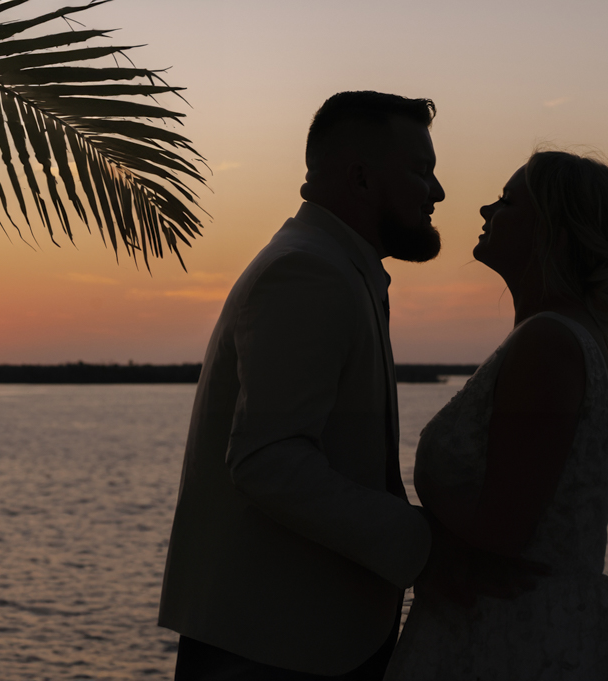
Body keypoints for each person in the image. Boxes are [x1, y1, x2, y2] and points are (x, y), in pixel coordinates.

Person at [158, 91, 445, 680]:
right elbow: (269, 459)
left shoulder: (332, 265)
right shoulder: (309, 271)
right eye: (422, 171)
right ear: (361, 177)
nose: (436, 192)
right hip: (273, 654)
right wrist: (424, 548)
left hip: (291, 645)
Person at [385, 150, 608, 680]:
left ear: (554, 230)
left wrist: (398, 524)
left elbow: (503, 529)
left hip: (512, 634)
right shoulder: (556, 336)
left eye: (506, 201)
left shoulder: (548, 342)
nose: (486, 210)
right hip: (514, 621)